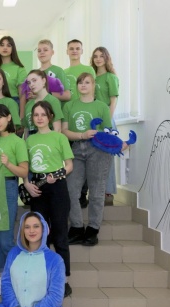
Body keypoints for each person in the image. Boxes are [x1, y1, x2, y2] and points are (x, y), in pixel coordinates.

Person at [62, 72, 118, 247]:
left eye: (87, 82)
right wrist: (82, 135)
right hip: (76, 149)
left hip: (98, 150)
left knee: (96, 191)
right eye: (80, 82)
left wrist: (118, 144)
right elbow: (64, 131)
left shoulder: (101, 106)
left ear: (93, 85)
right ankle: (77, 228)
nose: (83, 85)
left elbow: (108, 132)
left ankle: (93, 229)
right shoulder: (69, 106)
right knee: (71, 190)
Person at [24, 101, 73, 297]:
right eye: (36, 115)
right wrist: (27, 183)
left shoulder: (59, 137)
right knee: (38, 234)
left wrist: (58, 176)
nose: (39, 118)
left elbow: (69, 165)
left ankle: (64, 280)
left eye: (43, 114)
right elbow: (25, 166)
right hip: (37, 189)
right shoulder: (28, 140)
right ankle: (40, 278)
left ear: (50, 117)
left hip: (57, 188)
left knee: (60, 233)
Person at [0, 104, 28, 295]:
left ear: (9, 117)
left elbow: (24, 172)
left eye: (0, 117)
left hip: (8, 186)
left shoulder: (17, 142)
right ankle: (3, 276)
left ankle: (14, 278)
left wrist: (8, 164)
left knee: (5, 237)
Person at [65, 39, 96, 209]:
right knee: (73, 161)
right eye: (71, 48)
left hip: (86, 119)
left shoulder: (89, 70)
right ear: (67, 51)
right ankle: (73, 193)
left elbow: (93, 92)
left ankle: (84, 193)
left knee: (88, 161)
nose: (74, 51)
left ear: (82, 51)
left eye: (77, 48)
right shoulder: (64, 72)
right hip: (70, 121)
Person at [91, 47, 120, 205]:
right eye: (95, 56)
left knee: (106, 157)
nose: (98, 59)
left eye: (101, 56)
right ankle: (94, 191)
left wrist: (107, 122)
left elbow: (113, 101)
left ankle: (107, 192)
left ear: (106, 58)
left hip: (106, 121)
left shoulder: (111, 77)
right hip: (93, 121)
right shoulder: (91, 77)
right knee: (93, 158)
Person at [22, 69, 63, 137]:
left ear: (43, 80)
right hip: (31, 140)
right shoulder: (28, 104)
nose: (31, 84)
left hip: (47, 139)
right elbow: (26, 129)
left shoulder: (53, 101)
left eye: (34, 80)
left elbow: (57, 129)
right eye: (29, 83)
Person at [0, 36, 27, 115]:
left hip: (13, 104)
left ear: (13, 49)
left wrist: (21, 116)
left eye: (8, 45)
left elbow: (22, 94)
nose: (5, 48)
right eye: (2, 45)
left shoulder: (19, 68)